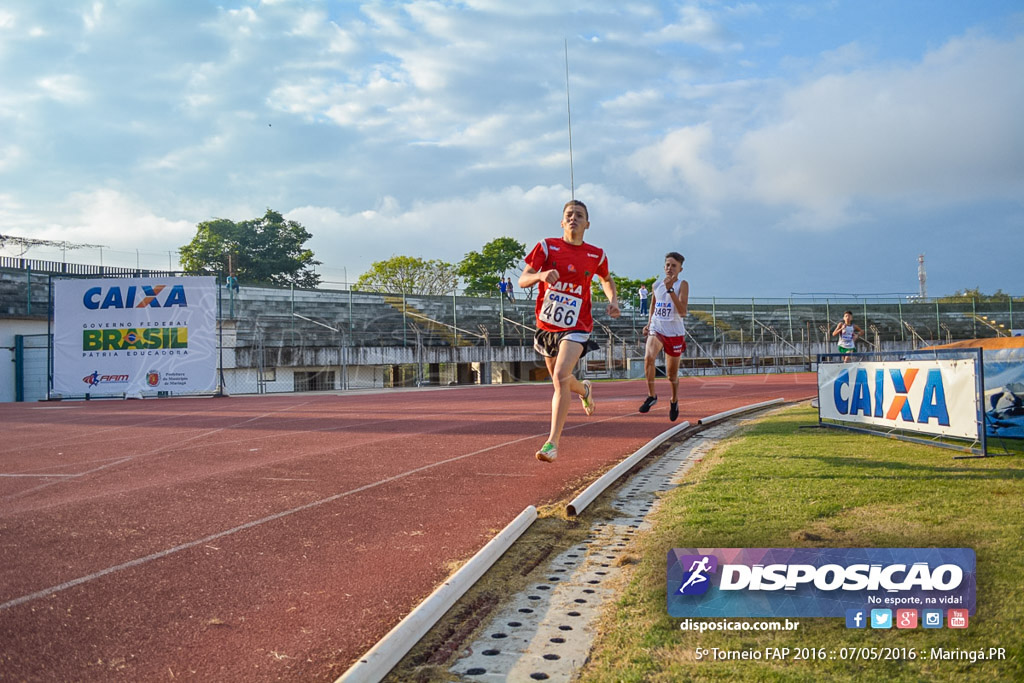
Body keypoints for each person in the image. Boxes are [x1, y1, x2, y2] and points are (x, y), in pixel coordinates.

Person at [519, 199, 620, 463]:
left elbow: (606, 279)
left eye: (579, 215)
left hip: (578, 325)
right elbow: (522, 279)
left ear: (587, 224)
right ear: (562, 222)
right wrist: (540, 276)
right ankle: (585, 390)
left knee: (562, 375)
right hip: (547, 326)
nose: (573, 218)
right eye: (569, 214)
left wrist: (613, 300)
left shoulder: (596, 254)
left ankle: (552, 443)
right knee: (560, 380)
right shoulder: (546, 247)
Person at [639, 252, 688, 421]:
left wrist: (671, 290)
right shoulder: (656, 285)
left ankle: (674, 400)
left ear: (680, 269)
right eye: (667, 265)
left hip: (674, 332)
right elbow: (653, 305)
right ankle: (652, 395)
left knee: (671, 375)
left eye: (674, 265)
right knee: (648, 358)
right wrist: (649, 323)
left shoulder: (683, 284)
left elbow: (682, 312)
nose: (669, 268)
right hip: (657, 328)